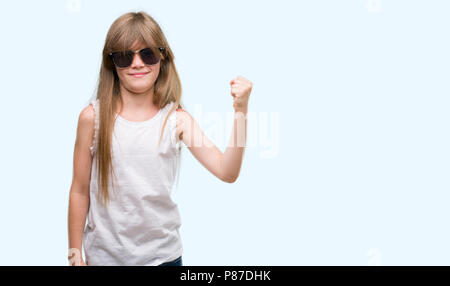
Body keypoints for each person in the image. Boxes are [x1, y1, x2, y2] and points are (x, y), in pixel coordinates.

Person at [67, 11, 252, 266]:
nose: (137, 63)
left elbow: (227, 171)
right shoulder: (92, 118)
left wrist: (241, 111)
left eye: (148, 53)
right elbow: (79, 190)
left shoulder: (177, 121)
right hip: (104, 260)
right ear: (111, 63)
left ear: (162, 57)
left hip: (164, 259)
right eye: (124, 56)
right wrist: (74, 252)